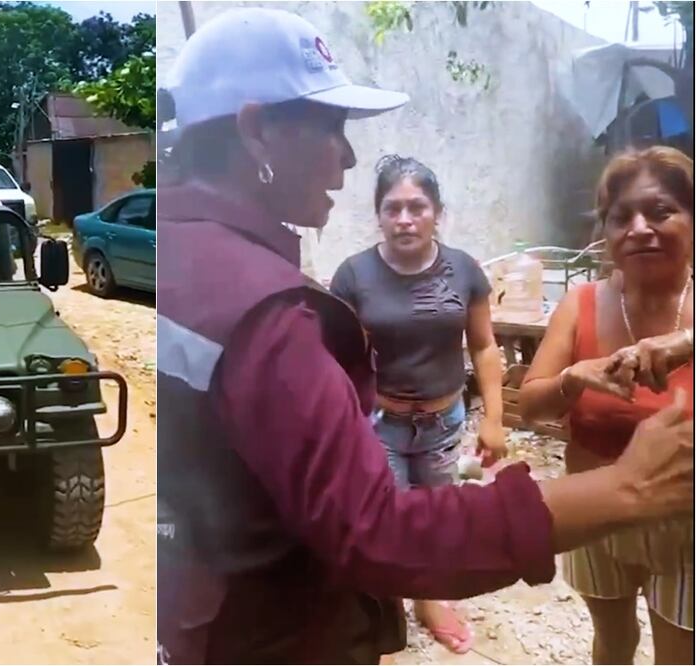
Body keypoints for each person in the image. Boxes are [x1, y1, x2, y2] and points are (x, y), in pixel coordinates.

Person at [156, 8, 695, 664]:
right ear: (257, 132)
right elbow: (377, 532)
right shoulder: (273, 308)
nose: (349, 155)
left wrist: (492, 416)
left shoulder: (184, 261)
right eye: (334, 128)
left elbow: (484, 350)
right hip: (278, 629)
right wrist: (622, 488)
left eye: (663, 212)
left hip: (224, 609)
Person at [519, 146, 694, 665]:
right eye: (622, 217)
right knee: (613, 643)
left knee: (678, 655)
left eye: (661, 211)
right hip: (595, 511)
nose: (639, 228)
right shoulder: (583, 304)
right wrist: (573, 379)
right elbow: (530, 407)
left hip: (684, 516)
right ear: (606, 233)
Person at [329, 155, 507, 654]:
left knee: (435, 511)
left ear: (437, 212)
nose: (404, 219)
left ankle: (429, 601)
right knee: (389, 516)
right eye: (393, 209)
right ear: (379, 215)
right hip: (379, 422)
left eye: (417, 207)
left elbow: (485, 347)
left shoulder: (465, 271)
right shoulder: (354, 276)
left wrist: (494, 419)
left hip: (444, 423)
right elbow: (342, 359)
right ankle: (386, 609)